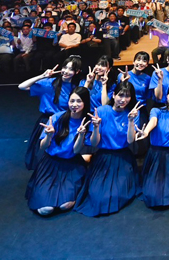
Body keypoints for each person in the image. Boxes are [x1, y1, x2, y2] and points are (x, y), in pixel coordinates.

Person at [74, 81, 141, 216]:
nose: (123, 100)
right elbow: (94, 143)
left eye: (127, 96)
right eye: (120, 95)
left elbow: (130, 140)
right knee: (97, 195)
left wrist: (131, 121)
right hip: (103, 157)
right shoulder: (102, 111)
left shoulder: (133, 114)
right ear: (114, 95)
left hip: (123, 158)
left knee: (116, 194)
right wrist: (97, 127)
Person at [25, 85, 94, 216]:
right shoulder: (57, 118)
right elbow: (42, 147)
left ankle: (85, 161)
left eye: (79, 101)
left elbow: (76, 149)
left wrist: (81, 136)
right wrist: (49, 135)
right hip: (50, 163)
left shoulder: (87, 122)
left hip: (71, 164)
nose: (74, 104)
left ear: (85, 102)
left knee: (65, 205)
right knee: (45, 209)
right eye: (72, 101)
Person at [18, 55, 82, 170]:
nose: (66, 71)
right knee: (41, 157)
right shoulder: (49, 83)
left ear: (77, 72)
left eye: (71, 69)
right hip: (47, 122)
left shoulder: (76, 88)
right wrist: (42, 76)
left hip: (65, 123)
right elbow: (22, 86)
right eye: (65, 67)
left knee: (62, 156)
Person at [138, 82, 169, 208]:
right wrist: (145, 132)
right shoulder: (157, 111)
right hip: (155, 155)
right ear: (167, 96)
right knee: (152, 194)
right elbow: (153, 122)